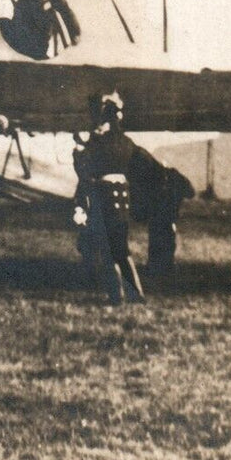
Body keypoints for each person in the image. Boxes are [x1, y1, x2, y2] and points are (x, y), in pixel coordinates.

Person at [72, 92, 144, 304]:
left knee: (106, 249)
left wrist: (78, 151)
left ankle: (116, 296)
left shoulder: (98, 144)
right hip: (122, 198)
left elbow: (84, 170)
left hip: (104, 198)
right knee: (122, 249)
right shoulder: (127, 143)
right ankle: (136, 293)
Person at [128, 146, 196, 283]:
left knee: (160, 240)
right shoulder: (170, 175)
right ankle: (162, 268)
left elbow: (190, 191)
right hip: (166, 216)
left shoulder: (154, 177)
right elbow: (190, 192)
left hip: (162, 216)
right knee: (164, 240)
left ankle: (160, 268)